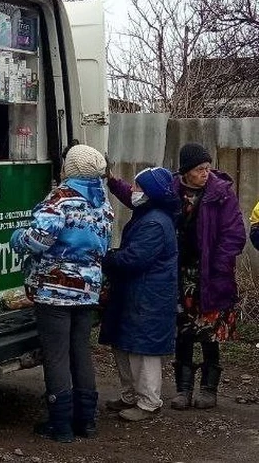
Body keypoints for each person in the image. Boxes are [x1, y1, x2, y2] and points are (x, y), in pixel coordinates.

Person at [108, 143, 245, 411]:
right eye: (199, 169)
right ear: (186, 171)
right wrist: (112, 181)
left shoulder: (221, 193)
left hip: (211, 273)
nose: (205, 173)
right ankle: (183, 388)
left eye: (207, 168)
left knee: (209, 332)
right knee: (181, 329)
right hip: (178, 270)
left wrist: (219, 265)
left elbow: (234, 234)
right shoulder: (170, 189)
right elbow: (138, 195)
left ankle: (208, 388)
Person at [11, 144, 114, 442]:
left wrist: (17, 238)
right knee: (80, 352)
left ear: (70, 168)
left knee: (56, 356)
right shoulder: (101, 202)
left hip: (55, 289)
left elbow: (39, 240)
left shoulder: (60, 199)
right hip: (88, 289)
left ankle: (61, 426)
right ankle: (87, 422)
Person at [99, 167, 179, 422]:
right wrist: (111, 180)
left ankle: (148, 402)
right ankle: (131, 395)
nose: (133, 191)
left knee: (143, 350)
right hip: (139, 293)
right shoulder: (150, 213)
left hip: (147, 297)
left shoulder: (154, 222)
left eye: (138, 187)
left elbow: (135, 259)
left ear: (150, 193)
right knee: (126, 345)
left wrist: (106, 257)